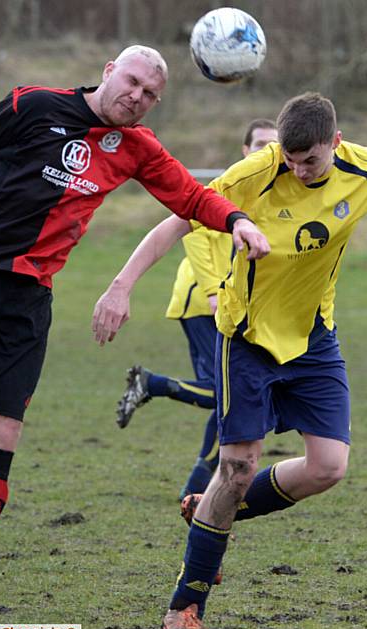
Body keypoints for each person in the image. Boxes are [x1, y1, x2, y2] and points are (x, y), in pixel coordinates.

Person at [0, 45, 270, 624]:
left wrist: (236, 220)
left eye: (150, 94)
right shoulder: (31, 104)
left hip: (29, 298)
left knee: (0, 434)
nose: (137, 97)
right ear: (110, 71)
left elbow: (189, 195)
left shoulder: (137, 146)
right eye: (132, 82)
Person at [91, 92, 367, 629]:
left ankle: (213, 511)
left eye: (309, 160)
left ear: (335, 143)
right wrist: (121, 285)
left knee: (328, 467)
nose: (296, 168)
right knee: (235, 469)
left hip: (314, 339)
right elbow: (176, 222)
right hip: (247, 339)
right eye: (289, 158)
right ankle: (185, 606)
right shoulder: (253, 175)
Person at [116, 119, 278, 500]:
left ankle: (195, 485)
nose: (264, 151)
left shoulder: (269, 191)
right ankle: (151, 384)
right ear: (244, 149)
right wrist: (211, 290)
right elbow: (197, 235)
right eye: (258, 143)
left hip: (233, 305)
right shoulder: (231, 185)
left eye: (272, 145)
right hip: (203, 301)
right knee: (225, 396)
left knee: (225, 399)